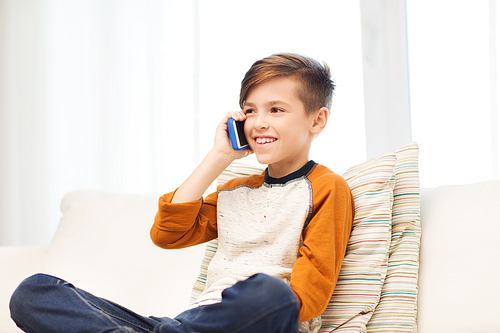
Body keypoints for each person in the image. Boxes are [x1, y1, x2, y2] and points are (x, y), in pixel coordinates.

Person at [10, 53, 354, 333]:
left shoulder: (326, 188)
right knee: (34, 292)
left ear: (317, 120)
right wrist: (218, 156)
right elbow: (167, 234)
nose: (259, 122)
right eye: (250, 110)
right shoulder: (235, 190)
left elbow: (310, 291)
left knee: (270, 292)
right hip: (188, 322)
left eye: (275, 110)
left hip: (260, 319)